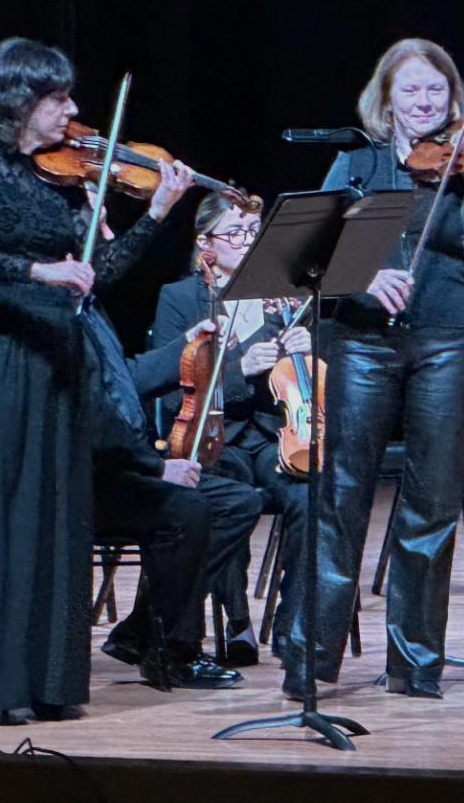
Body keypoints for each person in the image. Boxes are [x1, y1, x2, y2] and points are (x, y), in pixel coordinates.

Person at [0, 37, 195, 727]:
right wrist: (39, 272)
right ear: (21, 101)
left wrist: (158, 212)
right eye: (59, 99)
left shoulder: (55, 176)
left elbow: (97, 270)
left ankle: (41, 678)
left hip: (55, 356)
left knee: (48, 515)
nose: (72, 112)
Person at [274, 38, 464, 701]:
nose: (424, 103)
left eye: (436, 91)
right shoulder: (355, 162)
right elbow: (311, 256)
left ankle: (414, 666)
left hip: (451, 339)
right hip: (358, 341)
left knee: (432, 502)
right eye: (411, 91)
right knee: (339, 497)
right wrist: (362, 279)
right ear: (385, 99)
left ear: (453, 99)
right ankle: (309, 660)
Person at [148, 192, 311, 665]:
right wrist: (239, 370)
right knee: (223, 490)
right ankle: (236, 622)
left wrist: (309, 346)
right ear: (207, 243)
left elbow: (319, 379)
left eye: (255, 232)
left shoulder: (289, 295)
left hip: (276, 433)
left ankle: (293, 625)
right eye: (237, 232)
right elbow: (174, 388)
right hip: (216, 436)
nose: (250, 241)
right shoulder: (180, 299)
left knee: (310, 494)